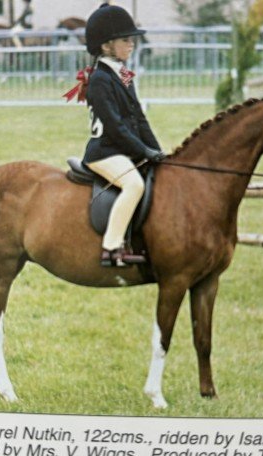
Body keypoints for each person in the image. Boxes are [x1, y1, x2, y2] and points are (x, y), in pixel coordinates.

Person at [78, 3, 165, 267]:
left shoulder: (124, 75)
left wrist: (156, 150)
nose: (132, 44)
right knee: (134, 185)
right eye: (125, 40)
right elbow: (116, 127)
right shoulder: (99, 80)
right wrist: (142, 151)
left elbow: (139, 117)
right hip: (105, 152)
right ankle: (111, 248)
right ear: (106, 46)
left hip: (122, 148)